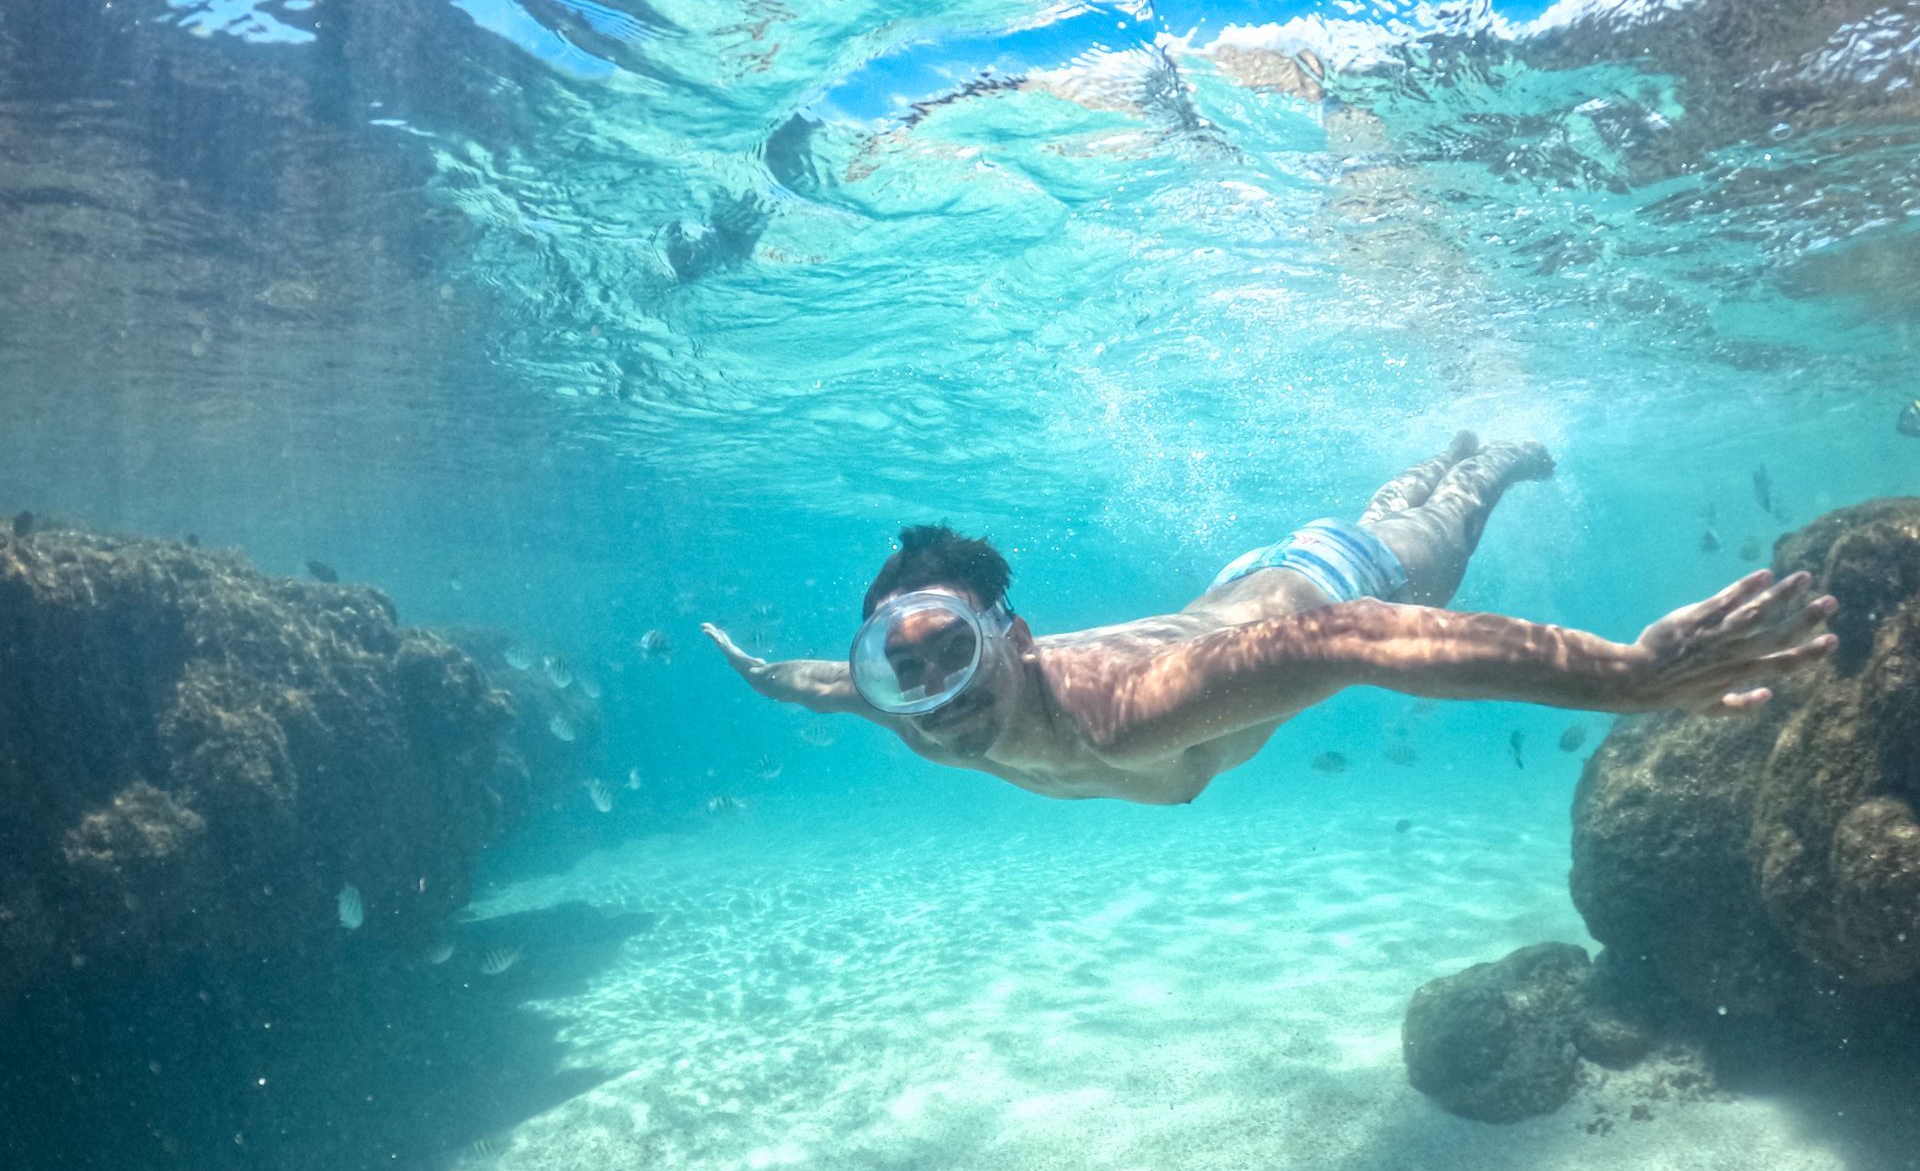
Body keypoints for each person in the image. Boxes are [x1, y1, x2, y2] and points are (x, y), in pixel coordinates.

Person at [702, 434, 1837, 805]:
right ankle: (1425, 471)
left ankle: (1482, 459)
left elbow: (1347, 643)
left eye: (954, 650)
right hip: (1236, 594)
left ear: (1020, 639)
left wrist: (1623, 677)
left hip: (1339, 579)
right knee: (1406, 505)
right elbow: (816, 681)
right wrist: (762, 676)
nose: (936, 700)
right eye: (903, 673)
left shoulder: (1128, 713)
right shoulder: (904, 706)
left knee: (1449, 521)